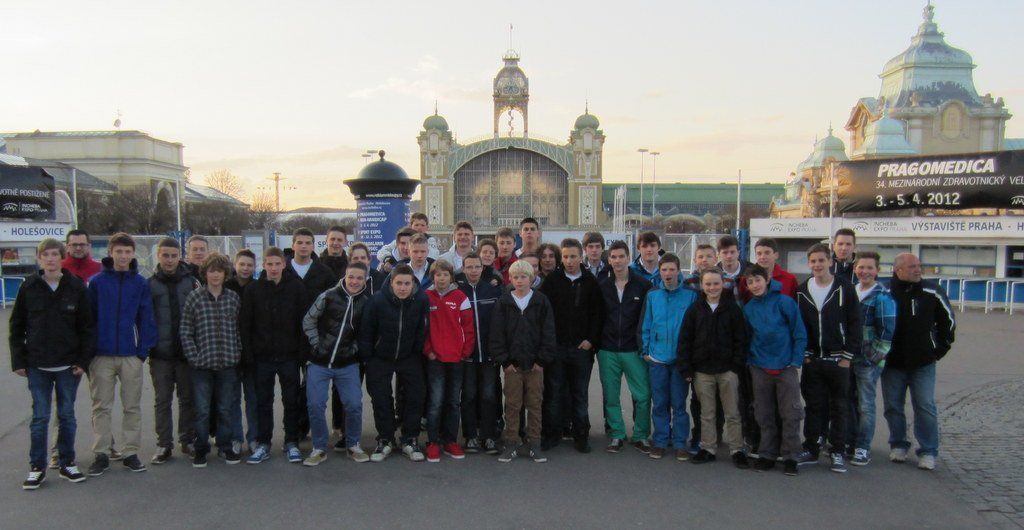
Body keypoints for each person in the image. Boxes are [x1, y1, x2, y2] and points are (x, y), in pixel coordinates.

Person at [10, 238, 94, 489]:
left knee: (67, 415)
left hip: (68, 365)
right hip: (37, 365)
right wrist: (18, 360)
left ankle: (67, 462)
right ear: (39, 259)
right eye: (45, 255)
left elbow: (87, 327)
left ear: (62, 257)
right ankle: (37, 467)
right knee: (40, 417)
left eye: (54, 254)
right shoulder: (29, 287)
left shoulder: (76, 286)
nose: (50, 259)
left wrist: (83, 361)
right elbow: (16, 326)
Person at [86, 233, 157, 476]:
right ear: (110, 253)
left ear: (133, 254)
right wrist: (90, 352)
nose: (123, 256)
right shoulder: (96, 283)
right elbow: (88, 319)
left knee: (132, 406)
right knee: (101, 406)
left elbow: (146, 318)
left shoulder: (140, 283)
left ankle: (130, 452)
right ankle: (102, 452)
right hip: (101, 355)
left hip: (130, 355)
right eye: (119, 251)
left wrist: (142, 352)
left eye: (127, 252)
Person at [883, 253, 955, 471]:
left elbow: (948, 322)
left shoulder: (932, 291)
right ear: (898, 270)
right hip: (892, 363)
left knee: (925, 406)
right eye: (912, 266)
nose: (918, 270)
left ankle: (928, 451)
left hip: (923, 363)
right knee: (893, 407)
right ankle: (898, 444)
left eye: (919, 265)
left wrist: (937, 350)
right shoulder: (884, 291)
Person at [796, 243, 861, 474]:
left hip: (838, 360)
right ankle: (811, 447)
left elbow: (855, 323)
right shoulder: (802, 291)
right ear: (809, 264)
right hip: (813, 360)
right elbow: (799, 326)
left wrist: (847, 357)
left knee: (839, 407)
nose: (817, 265)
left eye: (821, 260)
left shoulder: (845, 288)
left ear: (830, 261)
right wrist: (805, 354)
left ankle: (837, 451)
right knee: (814, 406)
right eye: (813, 261)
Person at [240, 247, 308, 465]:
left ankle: (292, 442)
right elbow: (245, 325)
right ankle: (263, 443)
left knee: (291, 401)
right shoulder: (253, 289)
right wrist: (248, 355)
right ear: (264, 265)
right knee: (263, 402)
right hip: (262, 357)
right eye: (269, 264)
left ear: (284, 264)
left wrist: (302, 353)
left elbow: (303, 323)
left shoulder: (296, 287)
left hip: (289, 356)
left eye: (277, 264)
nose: (273, 268)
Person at [301, 262, 371, 466]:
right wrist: (317, 344)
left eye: (359, 278)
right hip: (319, 362)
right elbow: (308, 320)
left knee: (354, 404)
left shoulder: (366, 303)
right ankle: (319, 448)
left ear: (365, 280)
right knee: (315, 404)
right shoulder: (328, 296)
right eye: (351, 277)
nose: (354, 281)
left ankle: (353, 445)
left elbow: (366, 332)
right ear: (345, 276)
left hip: (347, 364)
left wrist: (353, 349)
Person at [678, 269, 749, 468]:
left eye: (716, 283)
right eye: (708, 284)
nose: (712, 288)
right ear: (702, 285)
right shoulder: (695, 310)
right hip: (702, 370)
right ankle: (708, 448)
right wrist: (687, 368)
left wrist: (736, 366)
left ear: (723, 284)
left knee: (732, 412)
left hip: (728, 370)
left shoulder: (732, 309)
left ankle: (737, 449)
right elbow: (685, 339)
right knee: (707, 413)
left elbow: (741, 339)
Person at [358, 264, 429, 462]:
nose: (403, 288)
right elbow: (366, 330)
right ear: (391, 283)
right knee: (381, 398)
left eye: (407, 283)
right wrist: (368, 357)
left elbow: (423, 327)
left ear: (413, 283)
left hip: (409, 356)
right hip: (380, 357)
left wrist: (416, 350)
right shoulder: (377, 300)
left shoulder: (421, 300)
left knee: (415, 396)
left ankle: (410, 439)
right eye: (399, 283)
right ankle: (385, 438)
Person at [539, 238, 603, 453]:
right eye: (565, 257)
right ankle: (551, 434)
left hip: (581, 350)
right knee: (553, 393)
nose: (569, 261)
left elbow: (597, 314)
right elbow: (544, 314)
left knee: (579, 394)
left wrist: (590, 340)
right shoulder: (553, 281)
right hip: (557, 348)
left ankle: (581, 435)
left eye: (573, 256)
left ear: (581, 257)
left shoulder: (590, 282)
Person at [742, 264, 807, 476]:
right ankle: (767, 453)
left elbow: (799, 333)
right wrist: (751, 361)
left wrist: (795, 361)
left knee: (790, 412)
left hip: (785, 365)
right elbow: (747, 337)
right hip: (760, 367)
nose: (755, 285)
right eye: (750, 282)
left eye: (758, 280)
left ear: (767, 280)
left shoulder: (785, 302)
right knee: (763, 413)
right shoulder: (749, 309)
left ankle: (790, 456)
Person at [180, 253, 243, 468]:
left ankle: (225, 446)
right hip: (202, 365)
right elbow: (186, 330)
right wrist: (194, 356)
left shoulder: (233, 298)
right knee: (202, 410)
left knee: (225, 408)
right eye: (211, 271)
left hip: (227, 363)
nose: (215, 275)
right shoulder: (194, 297)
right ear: (205, 273)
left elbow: (238, 329)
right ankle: (201, 448)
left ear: (225, 274)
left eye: (219, 271)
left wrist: (237, 353)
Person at [490, 260, 557, 463]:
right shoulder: (503, 302)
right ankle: (511, 443)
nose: (519, 281)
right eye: (516, 277)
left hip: (535, 365)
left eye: (524, 277)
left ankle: (534, 443)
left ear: (531, 279)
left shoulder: (541, 301)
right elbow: (496, 334)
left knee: (535, 404)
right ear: (510, 279)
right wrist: (505, 362)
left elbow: (548, 332)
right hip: (513, 366)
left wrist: (541, 361)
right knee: (512, 405)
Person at [147, 238, 200, 465]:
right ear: (158, 256)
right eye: (165, 255)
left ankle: (187, 439)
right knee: (162, 400)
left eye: (173, 255)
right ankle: (164, 444)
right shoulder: (150, 284)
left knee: (187, 399)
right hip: (160, 354)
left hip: (186, 353)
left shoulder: (192, 283)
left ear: (180, 256)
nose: (169, 260)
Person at [640, 253, 698, 461]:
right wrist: (646, 351)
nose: (668, 273)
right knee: (660, 403)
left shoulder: (691, 295)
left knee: (679, 404)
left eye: (672, 269)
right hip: (657, 359)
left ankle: (681, 443)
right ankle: (661, 441)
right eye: (664, 270)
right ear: (660, 272)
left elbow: (695, 328)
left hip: (680, 360)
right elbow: (646, 324)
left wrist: (690, 357)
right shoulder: (653, 295)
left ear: (679, 270)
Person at [596, 240, 653, 453]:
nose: (618, 261)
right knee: (611, 396)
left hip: (633, 349)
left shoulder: (643, 285)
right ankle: (617, 434)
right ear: (609, 260)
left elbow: (648, 319)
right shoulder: (602, 285)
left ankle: (640, 435)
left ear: (629, 258)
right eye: (614, 257)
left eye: (621, 256)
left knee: (643, 395)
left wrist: (644, 345)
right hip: (607, 349)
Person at [847, 251, 896, 467]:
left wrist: (873, 358)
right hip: (849, 356)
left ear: (877, 271)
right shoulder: (851, 291)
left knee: (866, 405)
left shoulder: (882, 296)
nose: (864, 271)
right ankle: (850, 441)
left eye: (869, 268)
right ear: (855, 269)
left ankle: (863, 447)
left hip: (867, 360)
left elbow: (886, 332)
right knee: (849, 401)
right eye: (861, 267)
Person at [423, 260, 476, 462]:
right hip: (435, 358)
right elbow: (422, 328)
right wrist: (428, 351)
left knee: (453, 402)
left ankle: (450, 440)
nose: (441, 278)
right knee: (436, 401)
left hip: (456, 359)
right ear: (433, 277)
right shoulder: (426, 297)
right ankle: (433, 441)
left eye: (445, 275)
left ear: (451, 277)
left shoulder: (461, 297)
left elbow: (468, 328)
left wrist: (465, 352)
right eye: (438, 275)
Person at [457, 252, 503, 454]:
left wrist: (498, 349)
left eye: (477, 267)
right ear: (463, 269)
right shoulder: (458, 292)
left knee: (489, 396)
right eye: (469, 267)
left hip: (489, 355)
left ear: (482, 268)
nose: (473, 270)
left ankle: (489, 436)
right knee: (468, 396)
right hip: (467, 355)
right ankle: (470, 437)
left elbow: (501, 323)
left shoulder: (493, 290)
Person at [225, 249, 259, 453]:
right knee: (232, 399)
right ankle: (235, 438)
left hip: (252, 352)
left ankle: (254, 438)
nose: (245, 268)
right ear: (235, 265)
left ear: (254, 267)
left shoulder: (257, 287)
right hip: (230, 351)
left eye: (249, 265)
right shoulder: (226, 287)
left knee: (253, 399)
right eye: (242, 264)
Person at [716, 235, 752, 301]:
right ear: (718, 254)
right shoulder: (713, 274)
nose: (729, 256)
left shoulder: (751, 270)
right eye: (725, 252)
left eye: (732, 252)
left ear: (738, 253)